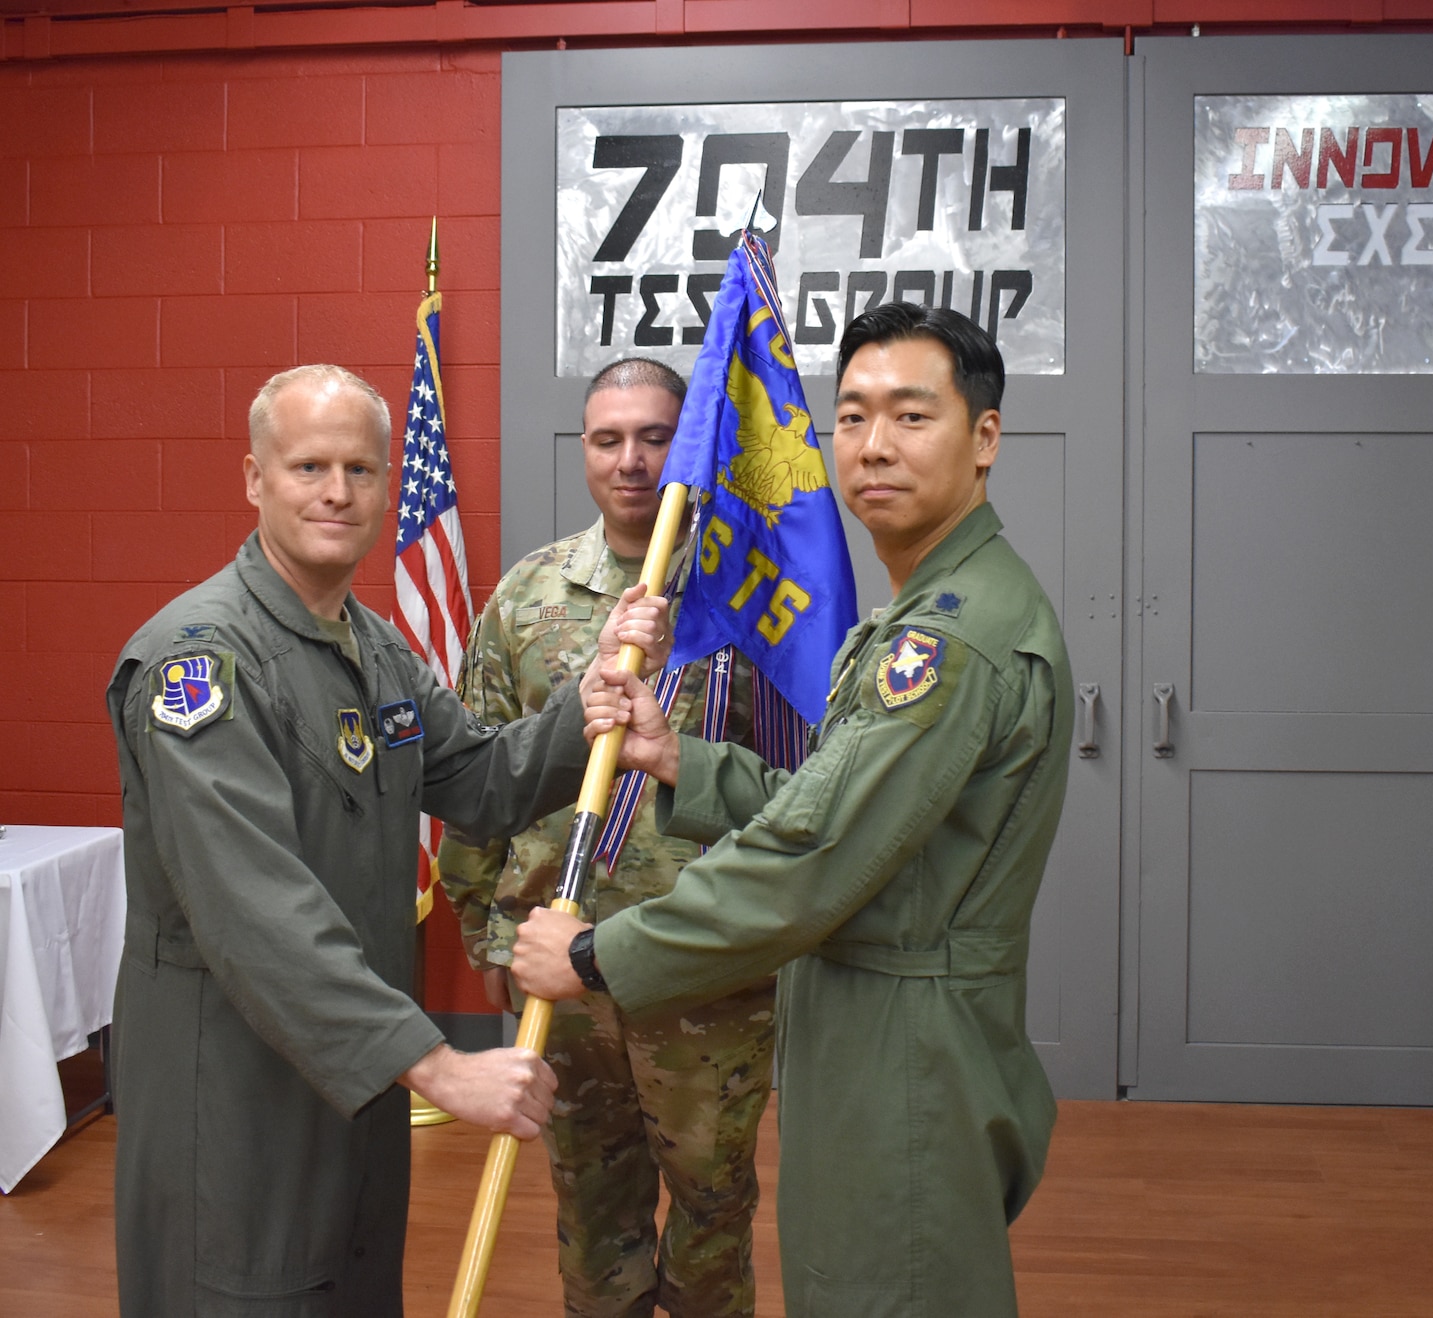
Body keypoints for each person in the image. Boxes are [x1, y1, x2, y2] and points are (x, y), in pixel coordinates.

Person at [512, 303, 1073, 1316]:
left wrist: (599, 955)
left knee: (882, 1288)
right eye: (850, 418)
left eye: (910, 416)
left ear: (983, 438)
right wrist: (678, 757)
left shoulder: (946, 642)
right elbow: (827, 803)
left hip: (903, 1046)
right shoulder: (924, 607)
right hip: (872, 1027)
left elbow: (811, 856)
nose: (871, 447)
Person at [105, 363, 653, 1317]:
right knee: (246, 1291)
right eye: (308, 466)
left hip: (354, 1076)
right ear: (254, 479)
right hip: (236, 1083)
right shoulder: (201, 665)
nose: (337, 492)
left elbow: (482, 780)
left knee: (347, 1284)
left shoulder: (375, 647)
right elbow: (256, 915)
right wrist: (439, 1066)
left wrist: (589, 697)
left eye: (362, 469)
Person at [437, 357, 774, 1318]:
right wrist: (485, 934)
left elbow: (798, 792)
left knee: (715, 1208)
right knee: (591, 1207)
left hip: (705, 964)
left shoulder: (751, 598)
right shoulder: (527, 597)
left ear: (690, 445)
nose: (630, 461)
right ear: (583, 449)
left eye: (655, 436)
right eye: (607, 438)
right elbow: (477, 783)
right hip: (562, 973)